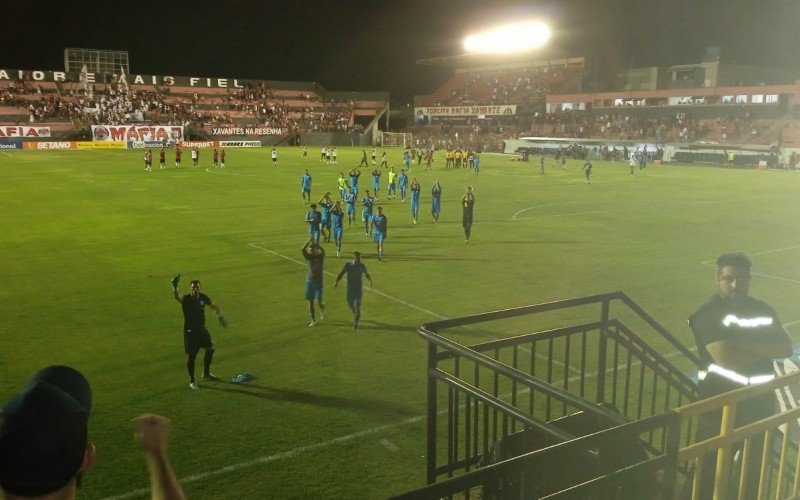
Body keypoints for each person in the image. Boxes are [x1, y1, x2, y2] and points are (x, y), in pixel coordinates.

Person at [689, 252, 792, 499]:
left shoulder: (763, 309)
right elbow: (728, 359)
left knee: (752, 471)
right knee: (707, 471)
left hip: (759, 405)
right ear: (718, 279)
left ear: (749, 279)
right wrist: (763, 348)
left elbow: (785, 347)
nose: (736, 285)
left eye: (741, 279)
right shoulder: (707, 314)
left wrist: (743, 344)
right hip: (719, 407)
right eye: (729, 278)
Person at [172, 275, 226, 389]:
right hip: (190, 332)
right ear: (190, 289)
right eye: (193, 287)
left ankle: (206, 373)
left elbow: (214, 305)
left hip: (202, 329)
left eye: (197, 287)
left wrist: (220, 315)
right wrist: (175, 286)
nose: (195, 289)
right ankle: (192, 380)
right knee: (192, 356)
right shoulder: (186, 299)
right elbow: (178, 297)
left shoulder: (203, 297)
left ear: (200, 288)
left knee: (210, 349)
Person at [334, 251, 373, 330]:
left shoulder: (362, 266)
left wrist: (370, 280)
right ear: (354, 257)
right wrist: (336, 281)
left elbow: (366, 273)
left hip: (358, 289)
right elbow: (341, 273)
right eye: (357, 257)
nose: (359, 259)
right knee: (349, 302)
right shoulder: (348, 265)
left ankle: (355, 323)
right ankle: (355, 313)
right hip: (350, 288)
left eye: (359, 257)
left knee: (357, 305)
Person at [301, 239, 326, 326]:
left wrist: (316, 244)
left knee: (318, 301)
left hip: (318, 282)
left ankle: (322, 308)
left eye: (312, 250)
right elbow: (302, 249)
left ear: (315, 250)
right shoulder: (309, 257)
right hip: (309, 281)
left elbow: (323, 250)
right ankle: (313, 320)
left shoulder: (320, 256)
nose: (310, 251)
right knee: (310, 301)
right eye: (309, 250)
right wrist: (308, 241)